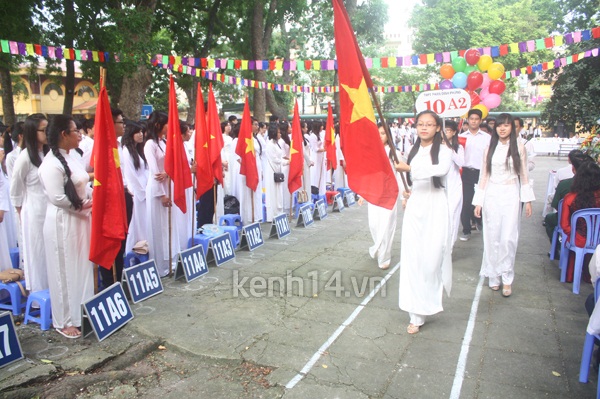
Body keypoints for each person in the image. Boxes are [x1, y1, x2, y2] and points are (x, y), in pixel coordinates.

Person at [395, 110, 453, 334]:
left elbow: (440, 170)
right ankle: (415, 314)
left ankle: (428, 303)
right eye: (420, 124)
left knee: (431, 259)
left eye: (429, 124)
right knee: (413, 259)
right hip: (415, 206)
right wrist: (406, 193)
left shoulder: (445, 151)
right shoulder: (414, 149)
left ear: (438, 127)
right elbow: (409, 181)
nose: (424, 128)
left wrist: (409, 168)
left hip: (435, 207)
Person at [38, 114, 93, 338]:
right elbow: (58, 198)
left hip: (80, 219)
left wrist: (91, 198)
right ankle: (64, 320)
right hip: (63, 222)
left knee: (79, 267)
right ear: (63, 135)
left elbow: (82, 183)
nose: (80, 135)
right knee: (64, 271)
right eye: (75, 131)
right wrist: (86, 205)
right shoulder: (50, 164)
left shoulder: (73, 157)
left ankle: (82, 311)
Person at [473, 113, 535, 297]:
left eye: (507, 126)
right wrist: (479, 201)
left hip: (511, 194)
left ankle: (507, 277)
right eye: (499, 125)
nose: (502, 128)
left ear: (512, 128)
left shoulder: (520, 147)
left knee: (508, 237)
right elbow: (484, 175)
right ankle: (494, 276)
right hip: (491, 193)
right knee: (492, 235)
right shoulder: (489, 148)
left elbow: (524, 174)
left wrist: (528, 200)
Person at [10, 113, 49, 294]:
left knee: (51, 252)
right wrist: (21, 213)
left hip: (50, 209)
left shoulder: (49, 153)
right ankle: (39, 293)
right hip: (33, 211)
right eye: (44, 130)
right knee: (37, 253)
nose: (47, 133)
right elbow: (15, 190)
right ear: (34, 132)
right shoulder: (24, 157)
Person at [144, 111, 179, 277]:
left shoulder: (163, 142)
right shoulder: (149, 144)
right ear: (158, 125)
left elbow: (170, 165)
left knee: (168, 225)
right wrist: (162, 194)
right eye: (166, 124)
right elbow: (154, 172)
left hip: (168, 184)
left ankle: (170, 261)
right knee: (158, 227)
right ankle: (159, 265)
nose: (168, 127)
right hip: (157, 190)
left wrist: (168, 173)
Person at [365, 123, 402, 270]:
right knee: (374, 225)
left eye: (383, 133)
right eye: (378, 133)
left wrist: (404, 196)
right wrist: (363, 193)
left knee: (387, 226)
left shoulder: (394, 153)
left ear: (388, 135)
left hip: (389, 195)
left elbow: (400, 175)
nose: (380, 136)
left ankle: (385, 256)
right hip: (374, 194)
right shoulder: (370, 152)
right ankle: (378, 247)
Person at [559, 161, 600, 283]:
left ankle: (570, 276)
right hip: (599, 239)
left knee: (573, 242)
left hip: (579, 238)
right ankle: (588, 275)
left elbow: (564, 225)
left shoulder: (570, 198)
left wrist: (574, 234)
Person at [544, 150, 590, 243]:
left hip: (569, 222)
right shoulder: (595, 186)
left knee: (549, 218)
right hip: (593, 223)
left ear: (573, 168)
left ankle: (557, 247)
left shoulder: (565, 185)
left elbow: (557, 205)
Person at [459, 109, 490, 241]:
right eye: (471, 118)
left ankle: (479, 221)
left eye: (476, 119)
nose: (473, 121)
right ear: (468, 120)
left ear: (480, 121)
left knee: (481, 200)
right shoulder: (461, 137)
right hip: (465, 172)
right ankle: (466, 229)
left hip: (481, 173)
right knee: (465, 202)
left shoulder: (487, 138)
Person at [122, 120, 149, 255]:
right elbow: (130, 174)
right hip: (137, 192)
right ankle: (136, 246)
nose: (140, 134)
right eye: (137, 132)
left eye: (141, 132)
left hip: (145, 188)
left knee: (145, 220)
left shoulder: (139, 150)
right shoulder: (126, 151)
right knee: (138, 220)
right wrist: (141, 192)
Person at [444, 120, 464, 247]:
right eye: (443, 131)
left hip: (454, 185)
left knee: (452, 215)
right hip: (440, 186)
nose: (445, 134)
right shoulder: (436, 146)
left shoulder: (458, 147)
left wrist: (450, 150)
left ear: (454, 132)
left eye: (448, 131)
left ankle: (449, 246)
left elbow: (462, 163)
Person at [264, 124, 288, 221]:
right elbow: (274, 159)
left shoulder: (276, 143)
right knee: (272, 192)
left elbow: (280, 156)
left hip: (278, 169)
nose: (280, 134)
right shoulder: (269, 144)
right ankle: (272, 214)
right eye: (278, 132)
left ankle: (278, 211)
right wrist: (286, 162)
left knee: (278, 192)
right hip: (272, 170)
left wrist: (285, 160)